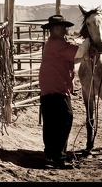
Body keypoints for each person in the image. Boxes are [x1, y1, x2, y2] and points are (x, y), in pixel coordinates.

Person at [38, 14, 90, 168]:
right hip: (57, 90)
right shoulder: (58, 44)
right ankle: (59, 157)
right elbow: (78, 52)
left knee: (51, 123)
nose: (66, 31)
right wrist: (88, 40)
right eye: (64, 28)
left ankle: (50, 155)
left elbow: (72, 58)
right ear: (57, 28)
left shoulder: (53, 44)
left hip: (50, 90)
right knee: (65, 119)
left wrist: (84, 57)